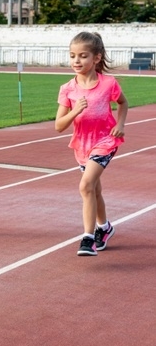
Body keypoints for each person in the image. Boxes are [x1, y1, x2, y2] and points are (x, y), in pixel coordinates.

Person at [55, 32, 128, 256]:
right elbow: (59, 125)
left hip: (106, 140)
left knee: (85, 186)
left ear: (96, 58)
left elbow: (123, 103)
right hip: (82, 145)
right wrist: (75, 111)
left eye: (83, 56)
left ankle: (88, 239)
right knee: (94, 190)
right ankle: (104, 227)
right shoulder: (68, 89)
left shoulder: (108, 84)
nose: (76, 61)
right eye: (72, 56)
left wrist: (121, 124)